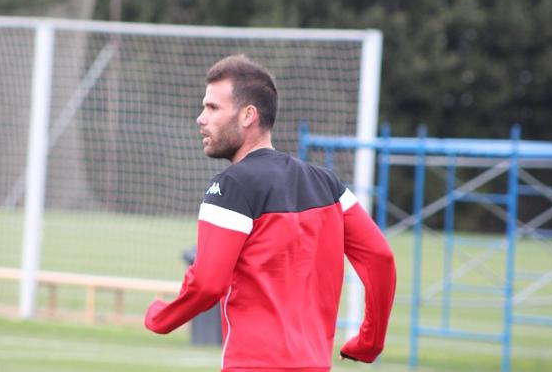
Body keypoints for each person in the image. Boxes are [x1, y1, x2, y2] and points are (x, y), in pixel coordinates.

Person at [145, 54, 396, 371]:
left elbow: (207, 283)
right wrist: (369, 342)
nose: (201, 118)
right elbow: (380, 257)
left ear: (248, 115)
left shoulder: (231, 186)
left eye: (212, 108)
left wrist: (160, 317)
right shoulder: (327, 184)